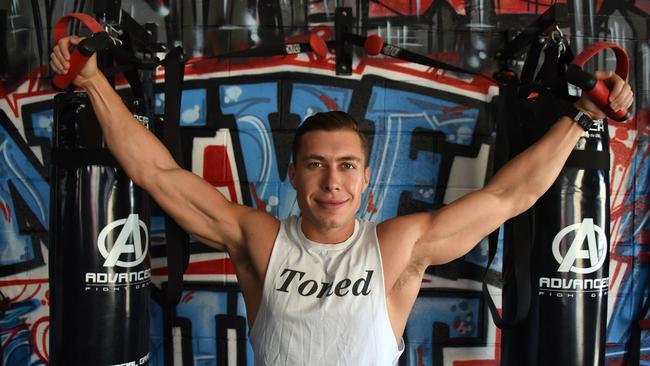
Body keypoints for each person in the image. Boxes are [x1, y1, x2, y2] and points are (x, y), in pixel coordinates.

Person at [50, 35, 633, 366]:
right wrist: (95, 83)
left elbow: (511, 195)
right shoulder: (259, 239)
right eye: (316, 164)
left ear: (366, 180)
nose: (333, 180)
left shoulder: (399, 245)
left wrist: (582, 117)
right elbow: (158, 174)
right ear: (292, 175)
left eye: (347, 165)